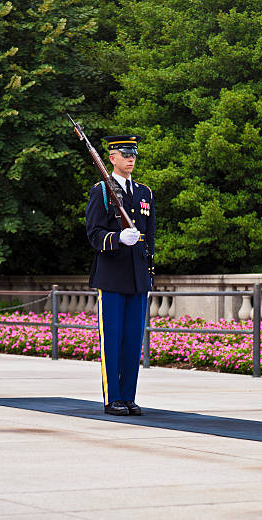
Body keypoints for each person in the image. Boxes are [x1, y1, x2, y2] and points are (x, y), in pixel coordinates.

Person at [86, 134, 155, 416]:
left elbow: (150, 237)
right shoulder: (102, 191)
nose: (131, 158)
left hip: (138, 277)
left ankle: (128, 396)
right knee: (112, 340)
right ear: (111, 158)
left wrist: (149, 274)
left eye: (134, 154)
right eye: (125, 154)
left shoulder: (144, 193)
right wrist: (116, 238)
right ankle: (112, 397)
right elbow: (93, 234)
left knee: (132, 341)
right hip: (112, 276)